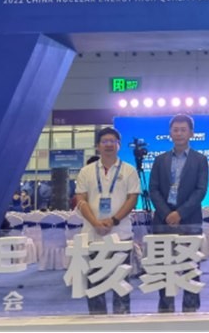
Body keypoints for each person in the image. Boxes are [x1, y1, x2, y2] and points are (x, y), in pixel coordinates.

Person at [73, 127, 140, 314]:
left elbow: (132, 199)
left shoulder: (129, 171)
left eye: (113, 141)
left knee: (121, 283)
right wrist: (95, 222)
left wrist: (114, 220)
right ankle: (97, 321)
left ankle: (122, 321)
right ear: (97, 146)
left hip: (120, 234)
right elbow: (81, 199)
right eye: (105, 141)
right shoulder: (86, 171)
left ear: (119, 145)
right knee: (95, 282)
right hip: (93, 235)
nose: (109, 145)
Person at [149, 114, 209, 313]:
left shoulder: (200, 160)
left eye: (183, 130)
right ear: (170, 133)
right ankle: (165, 311)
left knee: (190, 268)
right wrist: (167, 213)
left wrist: (180, 213)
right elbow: (153, 189)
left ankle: (190, 312)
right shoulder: (160, 160)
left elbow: (201, 190)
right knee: (165, 268)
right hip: (163, 222)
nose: (179, 133)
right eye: (175, 130)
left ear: (191, 133)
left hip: (190, 221)